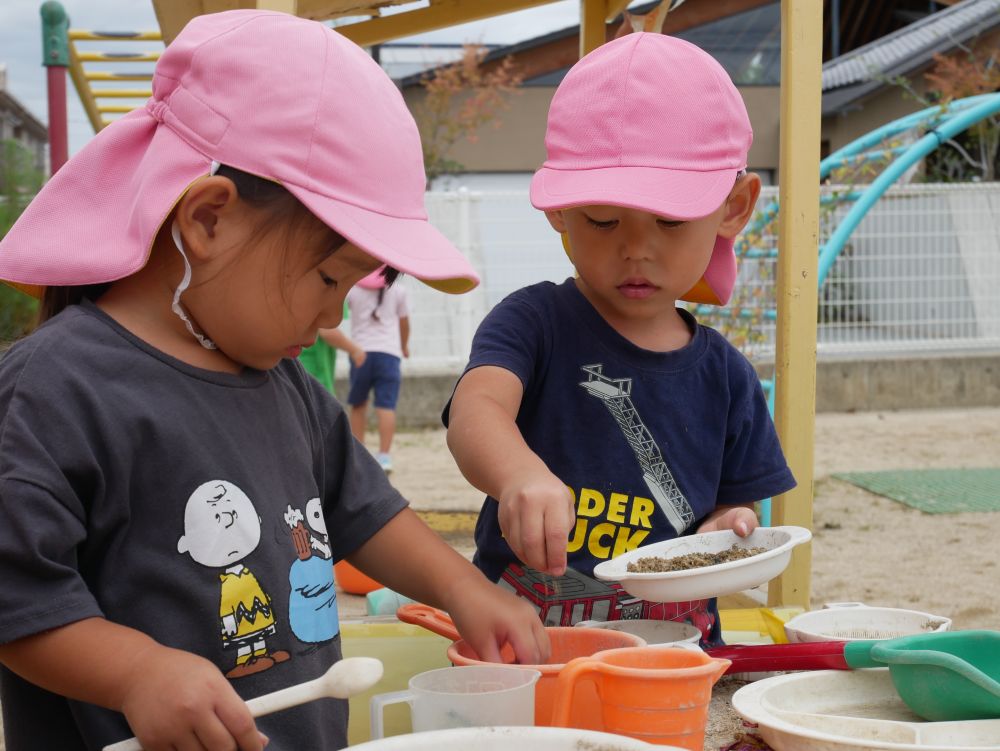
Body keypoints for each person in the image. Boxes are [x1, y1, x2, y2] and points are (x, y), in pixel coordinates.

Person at [0, 11, 548, 751]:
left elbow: (366, 512)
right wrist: (136, 672)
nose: (331, 313)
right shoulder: (55, 389)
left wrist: (465, 589)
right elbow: (17, 594)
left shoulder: (282, 383)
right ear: (208, 219)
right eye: (328, 277)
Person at [444, 33, 796, 647]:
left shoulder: (727, 376)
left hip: (670, 650)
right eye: (602, 221)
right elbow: (476, 410)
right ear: (559, 210)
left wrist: (726, 529)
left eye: (669, 220)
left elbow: (726, 511)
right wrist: (518, 473)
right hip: (527, 641)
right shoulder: (535, 322)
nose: (636, 248)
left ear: (733, 207)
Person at [345, 270, 411, 473]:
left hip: (360, 353)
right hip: (389, 354)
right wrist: (404, 346)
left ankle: (358, 453)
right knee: (386, 406)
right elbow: (404, 323)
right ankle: (384, 457)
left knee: (358, 404)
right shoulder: (399, 291)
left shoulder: (353, 291)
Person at [298, 304, 365, 395]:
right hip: (314, 367)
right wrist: (354, 351)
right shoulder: (328, 292)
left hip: (304, 363)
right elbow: (325, 330)